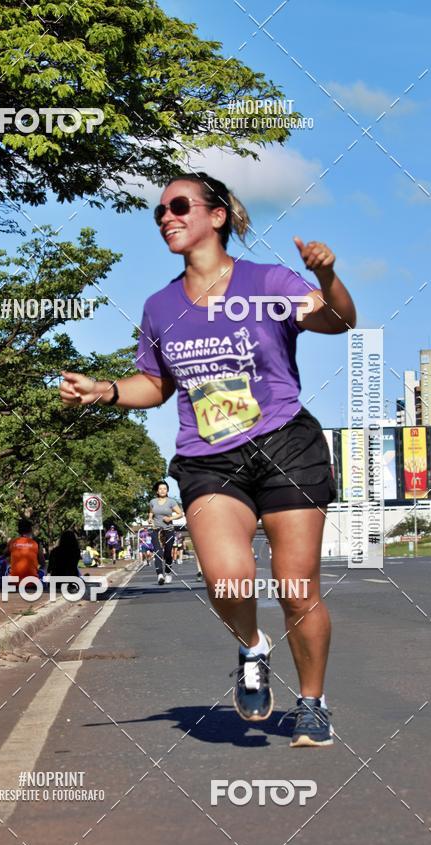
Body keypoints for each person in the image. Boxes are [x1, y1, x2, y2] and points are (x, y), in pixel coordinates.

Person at [60, 170, 356, 748]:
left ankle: (313, 702)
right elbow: (155, 384)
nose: (167, 218)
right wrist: (104, 390)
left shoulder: (267, 281)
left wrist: (326, 276)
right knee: (226, 579)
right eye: (159, 212)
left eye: (178, 206)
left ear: (216, 215)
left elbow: (337, 320)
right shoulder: (160, 306)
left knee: (297, 588)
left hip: (284, 443)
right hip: (208, 458)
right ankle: (252, 647)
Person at [148, 481, 183, 585]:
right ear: (157, 491)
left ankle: (167, 572)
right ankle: (159, 575)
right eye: (160, 489)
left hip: (169, 530)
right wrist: (150, 518)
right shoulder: (153, 501)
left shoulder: (171, 502)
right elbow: (151, 512)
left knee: (168, 553)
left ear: (167, 490)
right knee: (158, 552)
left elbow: (180, 514)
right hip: (156, 530)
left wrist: (170, 518)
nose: (162, 490)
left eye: (164, 489)